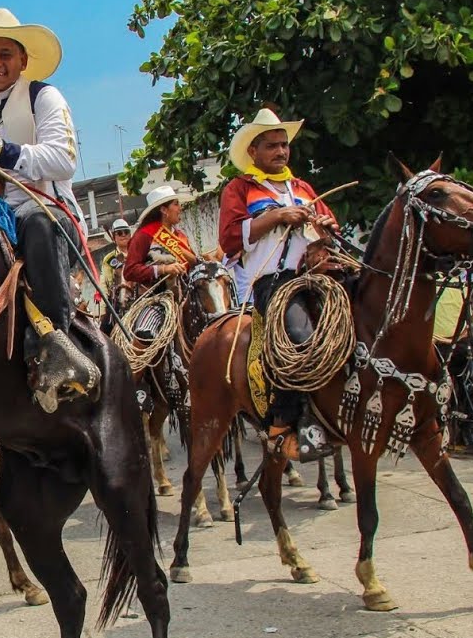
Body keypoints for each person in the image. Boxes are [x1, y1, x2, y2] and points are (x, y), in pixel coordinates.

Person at [0, 8, 98, 411]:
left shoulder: (44, 97)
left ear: (23, 60)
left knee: (41, 225)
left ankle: (54, 346)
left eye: (5, 54)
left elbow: (63, 159)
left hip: (38, 210)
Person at [218, 107, 340, 462]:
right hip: (273, 282)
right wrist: (276, 217)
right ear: (253, 152)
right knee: (300, 341)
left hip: (315, 277)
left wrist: (324, 232)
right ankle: (282, 425)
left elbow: (330, 226)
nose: (281, 152)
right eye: (272, 146)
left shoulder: (301, 187)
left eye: (284, 145)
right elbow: (229, 240)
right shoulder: (239, 189)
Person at [121, 186, 198, 335]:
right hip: (156, 300)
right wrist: (163, 269)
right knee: (144, 334)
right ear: (164, 210)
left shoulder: (180, 236)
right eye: (176, 204)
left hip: (187, 298)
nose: (179, 208)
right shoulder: (144, 235)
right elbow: (130, 271)